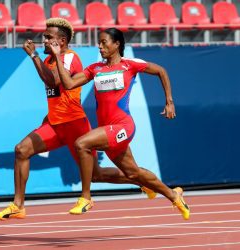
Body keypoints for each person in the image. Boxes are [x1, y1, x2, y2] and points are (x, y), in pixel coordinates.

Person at [0, 19, 156, 221]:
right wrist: (48, 117)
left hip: (75, 125)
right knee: (21, 150)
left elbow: (55, 81)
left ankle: (142, 180)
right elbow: (54, 94)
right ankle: (18, 205)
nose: (44, 40)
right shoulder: (49, 60)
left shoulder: (69, 57)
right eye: (44, 36)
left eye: (48, 37)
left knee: (96, 175)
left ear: (61, 41)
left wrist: (33, 56)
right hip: (55, 125)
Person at [49, 28, 190, 220]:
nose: (100, 46)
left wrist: (169, 101)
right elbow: (68, 84)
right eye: (99, 43)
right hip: (108, 129)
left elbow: (161, 71)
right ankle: (174, 195)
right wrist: (57, 57)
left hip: (123, 126)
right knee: (133, 174)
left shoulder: (130, 65)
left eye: (104, 42)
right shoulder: (94, 69)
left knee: (81, 144)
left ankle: (86, 198)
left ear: (117, 44)